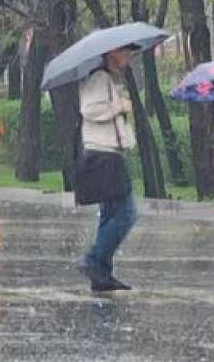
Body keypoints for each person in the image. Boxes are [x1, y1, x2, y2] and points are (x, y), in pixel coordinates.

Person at [77, 46, 138, 293]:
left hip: (109, 154)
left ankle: (101, 274)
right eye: (126, 53)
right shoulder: (99, 77)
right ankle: (93, 261)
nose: (129, 58)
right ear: (112, 53)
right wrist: (119, 106)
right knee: (126, 214)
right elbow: (89, 109)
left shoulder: (108, 79)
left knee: (110, 215)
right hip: (103, 155)